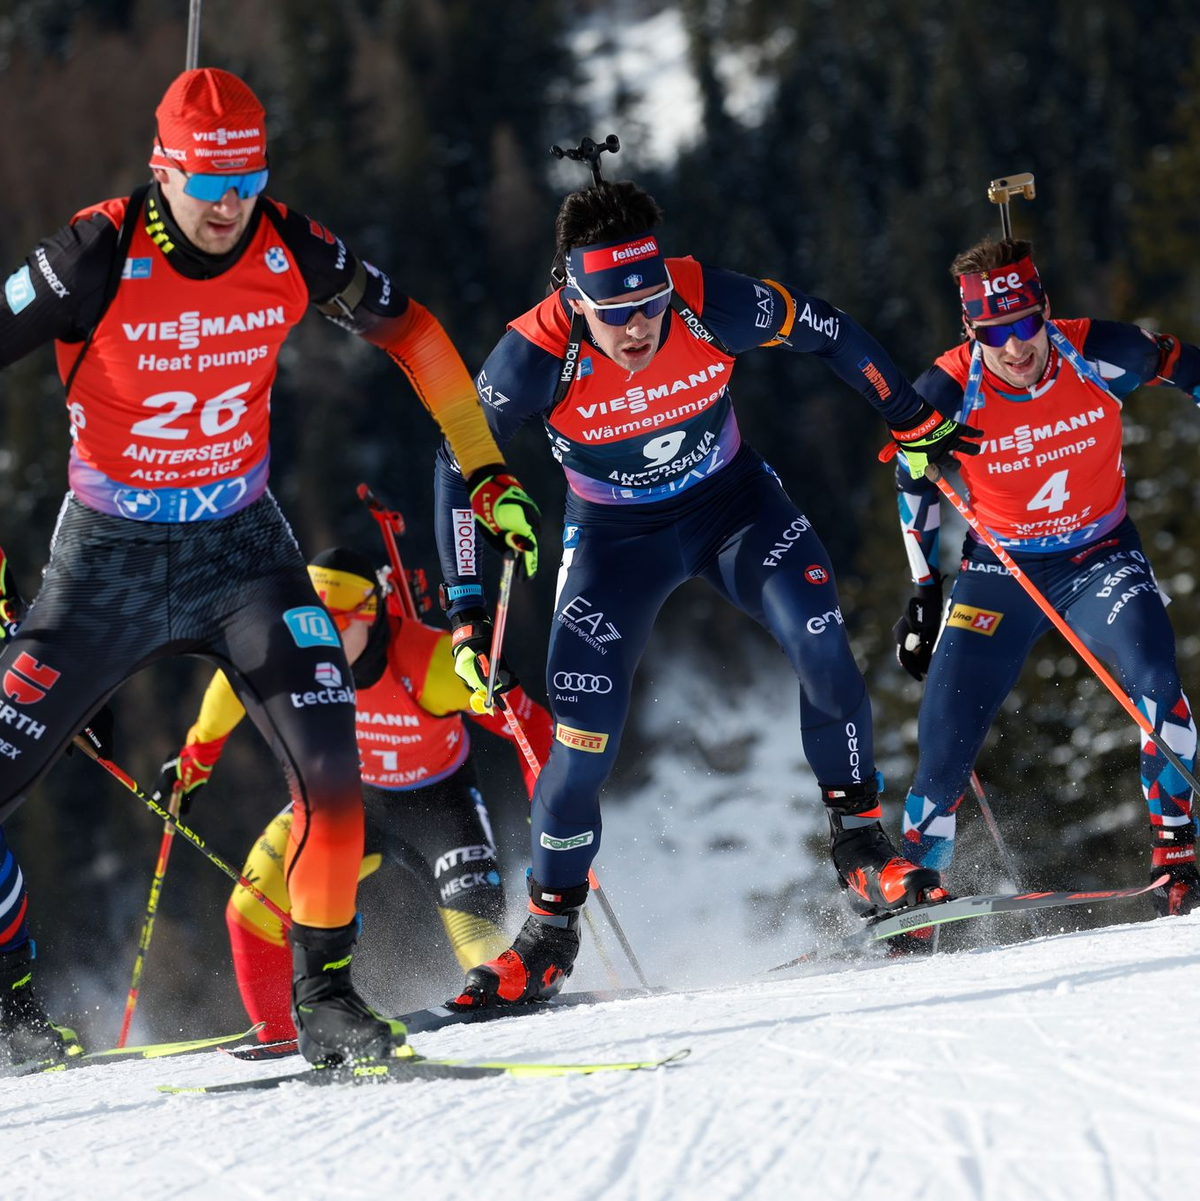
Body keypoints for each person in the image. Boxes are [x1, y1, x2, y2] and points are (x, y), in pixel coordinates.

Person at [0, 67, 539, 1066]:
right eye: (207, 180)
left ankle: (326, 1001)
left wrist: (485, 466)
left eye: (246, 177)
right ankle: (8, 1006)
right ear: (162, 169)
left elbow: (414, 332)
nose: (229, 203)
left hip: (241, 550)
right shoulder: (97, 250)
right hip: (106, 564)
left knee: (332, 775)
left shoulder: (289, 243)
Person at [432, 175, 982, 1007]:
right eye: (613, 312)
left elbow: (825, 328)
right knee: (581, 742)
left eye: (649, 302)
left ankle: (864, 849)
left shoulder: (704, 301)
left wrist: (905, 412)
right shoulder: (533, 355)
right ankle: (547, 933)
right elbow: (454, 460)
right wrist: (467, 611)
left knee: (823, 647)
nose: (638, 326)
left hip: (733, 506)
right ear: (572, 298)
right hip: (615, 544)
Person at [892, 235, 1199, 918]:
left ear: (1046, 309)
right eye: (994, 332)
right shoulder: (947, 389)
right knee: (943, 742)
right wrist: (923, 589)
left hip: (1100, 558)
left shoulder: (1099, 352)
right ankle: (915, 896)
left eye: (1027, 323)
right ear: (970, 330)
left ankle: (1176, 856)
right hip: (998, 571)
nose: (1015, 347)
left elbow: (1182, 364)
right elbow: (909, 474)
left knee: (1156, 680)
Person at [157, 547, 553, 1042]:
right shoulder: (295, 647)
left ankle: (517, 1013)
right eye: (311, 627)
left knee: (479, 944)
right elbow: (233, 683)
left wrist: (550, 806)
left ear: (371, 614)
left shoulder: (428, 663)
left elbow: (529, 721)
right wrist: (196, 760)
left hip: (438, 808)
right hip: (347, 800)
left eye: (336, 627)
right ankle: (282, 1037)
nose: (318, 644)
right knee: (251, 910)